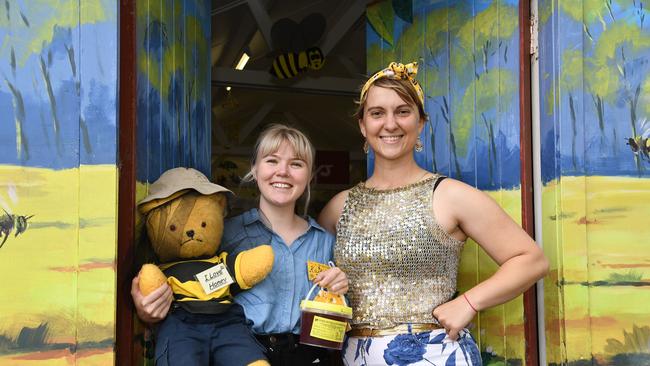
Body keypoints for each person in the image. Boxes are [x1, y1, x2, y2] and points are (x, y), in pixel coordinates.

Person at [318, 62, 549, 366]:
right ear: (363, 125)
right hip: (354, 357)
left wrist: (469, 302)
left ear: (421, 122)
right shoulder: (339, 207)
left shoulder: (450, 195)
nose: (390, 124)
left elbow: (531, 259)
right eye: (377, 113)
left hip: (436, 354)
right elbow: (314, 281)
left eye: (403, 111)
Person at [132, 124, 349, 366]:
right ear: (255, 170)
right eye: (272, 161)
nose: (283, 171)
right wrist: (145, 308)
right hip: (241, 353)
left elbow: (340, 314)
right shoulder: (225, 235)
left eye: (296, 164)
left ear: (309, 176)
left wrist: (341, 289)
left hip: (309, 357)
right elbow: (183, 289)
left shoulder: (326, 242)